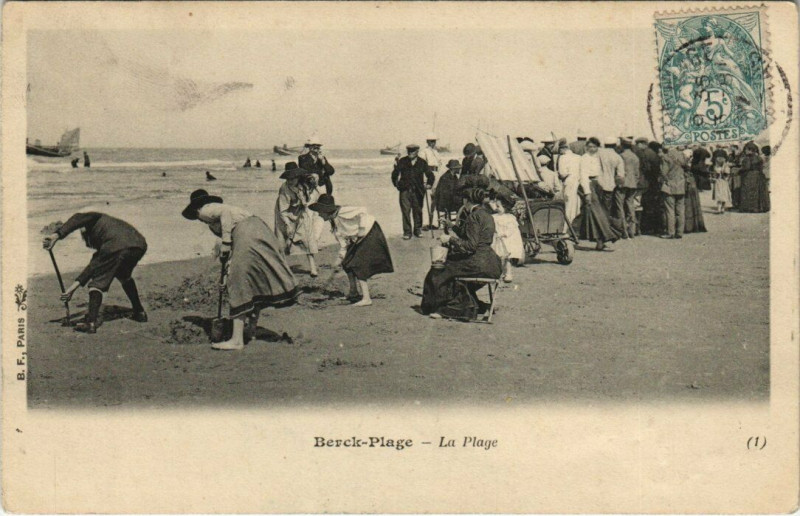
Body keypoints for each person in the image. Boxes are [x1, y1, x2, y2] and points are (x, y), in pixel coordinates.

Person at [182, 189, 297, 350]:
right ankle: (250, 329)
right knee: (253, 280)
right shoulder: (219, 221)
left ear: (195, 208)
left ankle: (237, 340)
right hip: (259, 231)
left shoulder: (205, 209)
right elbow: (233, 252)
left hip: (248, 233)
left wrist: (226, 243)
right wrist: (225, 274)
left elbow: (225, 214)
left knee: (238, 283)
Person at [42, 213, 148, 333]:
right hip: (139, 245)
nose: (86, 242)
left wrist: (57, 235)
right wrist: (72, 289)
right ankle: (140, 313)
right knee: (123, 275)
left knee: (97, 283)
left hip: (118, 246)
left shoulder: (94, 219)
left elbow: (77, 217)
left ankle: (90, 323)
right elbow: (94, 265)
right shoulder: (108, 228)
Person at [421, 187, 502, 320]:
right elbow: (473, 236)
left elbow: (471, 245)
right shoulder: (486, 214)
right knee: (451, 265)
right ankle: (470, 304)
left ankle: (454, 308)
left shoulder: (473, 217)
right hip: (492, 262)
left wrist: (450, 239)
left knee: (440, 270)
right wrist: (452, 226)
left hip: (478, 264)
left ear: (466, 201)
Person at [309, 194, 393, 306]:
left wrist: (362, 228)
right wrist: (340, 258)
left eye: (320, 211)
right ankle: (353, 292)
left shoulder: (342, 211)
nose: (319, 214)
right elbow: (344, 244)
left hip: (370, 232)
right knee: (347, 262)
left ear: (326, 210)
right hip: (358, 238)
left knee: (358, 264)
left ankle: (366, 298)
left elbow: (363, 211)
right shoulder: (334, 222)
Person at [274, 162, 324, 277]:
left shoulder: (304, 184)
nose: (290, 180)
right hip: (285, 212)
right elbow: (283, 210)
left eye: (293, 178)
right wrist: (288, 225)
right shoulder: (284, 188)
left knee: (307, 237)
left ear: (298, 176)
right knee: (283, 239)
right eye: (288, 178)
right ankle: (283, 267)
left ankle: (312, 267)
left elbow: (316, 182)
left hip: (301, 210)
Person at [576, 137, 620, 251]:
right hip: (589, 184)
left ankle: (600, 241)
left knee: (600, 213)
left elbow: (601, 173)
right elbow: (583, 175)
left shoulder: (598, 158)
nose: (592, 149)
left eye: (594, 147)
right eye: (590, 146)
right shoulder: (584, 158)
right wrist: (587, 192)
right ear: (586, 147)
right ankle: (608, 236)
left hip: (599, 185)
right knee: (597, 213)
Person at [391, 144, 434, 239]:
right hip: (405, 191)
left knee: (418, 211)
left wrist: (429, 184)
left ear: (417, 152)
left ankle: (417, 230)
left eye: (412, 151)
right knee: (405, 212)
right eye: (409, 151)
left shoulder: (422, 162)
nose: (410, 153)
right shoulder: (402, 161)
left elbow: (430, 175)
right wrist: (397, 185)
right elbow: (395, 174)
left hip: (418, 191)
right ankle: (407, 232)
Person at [488, 194, 524, 283]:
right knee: (498, 257)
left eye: (498, 206)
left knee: (507, 258)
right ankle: (499, 273)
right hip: (497, 240)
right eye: (496, 206)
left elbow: (512, 229)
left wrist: (504, 234)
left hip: (507, 240)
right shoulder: (494, 217)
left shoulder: (510, 218)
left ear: (506, 207)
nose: (496, 208)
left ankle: (508, 273)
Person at [615, 137, 641, 238]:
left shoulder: (621, 156)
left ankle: (623, 230)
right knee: (630, 205)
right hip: (633, 183)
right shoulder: (635, 157)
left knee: (620, 206)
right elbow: (637, 173)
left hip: (622, 184)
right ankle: (632, 230)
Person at [659, 146, 686, 239]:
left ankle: (670, 232)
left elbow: (663, 172)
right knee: (680, 210)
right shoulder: (682, 155)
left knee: (670, 210)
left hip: (670, 185)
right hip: (681, 184)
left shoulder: (666, 157)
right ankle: (680, 232)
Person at [737, 142, 770, 213]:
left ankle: (748, 208)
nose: (745, 151)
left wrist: (739, 171)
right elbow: (761, 168)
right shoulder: (759, 158)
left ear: (750, 150)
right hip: (759, 176)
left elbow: (746, 167)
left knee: (748, 191)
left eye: (746, 149)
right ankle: (759, 208)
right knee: (758, 192)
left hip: (749, 176)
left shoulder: (747, 159)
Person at [556, 139, 582, 223]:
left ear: (562, 149)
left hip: (569, 181)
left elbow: (562, 173)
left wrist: (559, 176)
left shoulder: (563, 157)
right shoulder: (578, 157)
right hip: (578, 181)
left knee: (568, 205)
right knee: (576, 204)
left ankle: (566, 226)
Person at [433, 159, 464, 224]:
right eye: (458, 168)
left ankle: (460, 222)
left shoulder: (454, 176)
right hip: (444, 202)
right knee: (462, 204)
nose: (459, 169)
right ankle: (460, 222)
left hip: (449, 199)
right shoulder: (445, 177)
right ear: (453, 169)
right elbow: (444, 193)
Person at [683, 157, 707, 234]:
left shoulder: (685, 175)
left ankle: (688, 226)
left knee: (688, 207)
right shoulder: (691, 175)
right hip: (693, 190)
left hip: (688, 192)